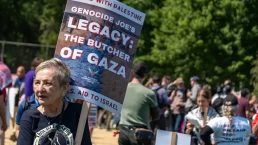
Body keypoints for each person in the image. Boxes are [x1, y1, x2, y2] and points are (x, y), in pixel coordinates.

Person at [17, 58, 92, 145]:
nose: (40, 89)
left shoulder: (77, 113)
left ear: (64, 88)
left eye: (47, 83)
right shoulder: (29, 117)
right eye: (37, 82)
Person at [119, 61, 160, 145]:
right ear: (145, 75)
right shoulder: (149, 93)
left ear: (133, 73)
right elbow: (156, 115)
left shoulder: (122, 89)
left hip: (122, 130)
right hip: (139, 134)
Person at [10, 66, 26, 141]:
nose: (19, 73)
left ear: (24, 72)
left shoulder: (26, 81)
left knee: (17, 117)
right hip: (13, 102)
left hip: (20, 103)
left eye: (21, 72)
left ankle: (14, 132)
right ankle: (14, 129)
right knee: (12, 118)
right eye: (18, 72)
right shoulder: (14, 80)